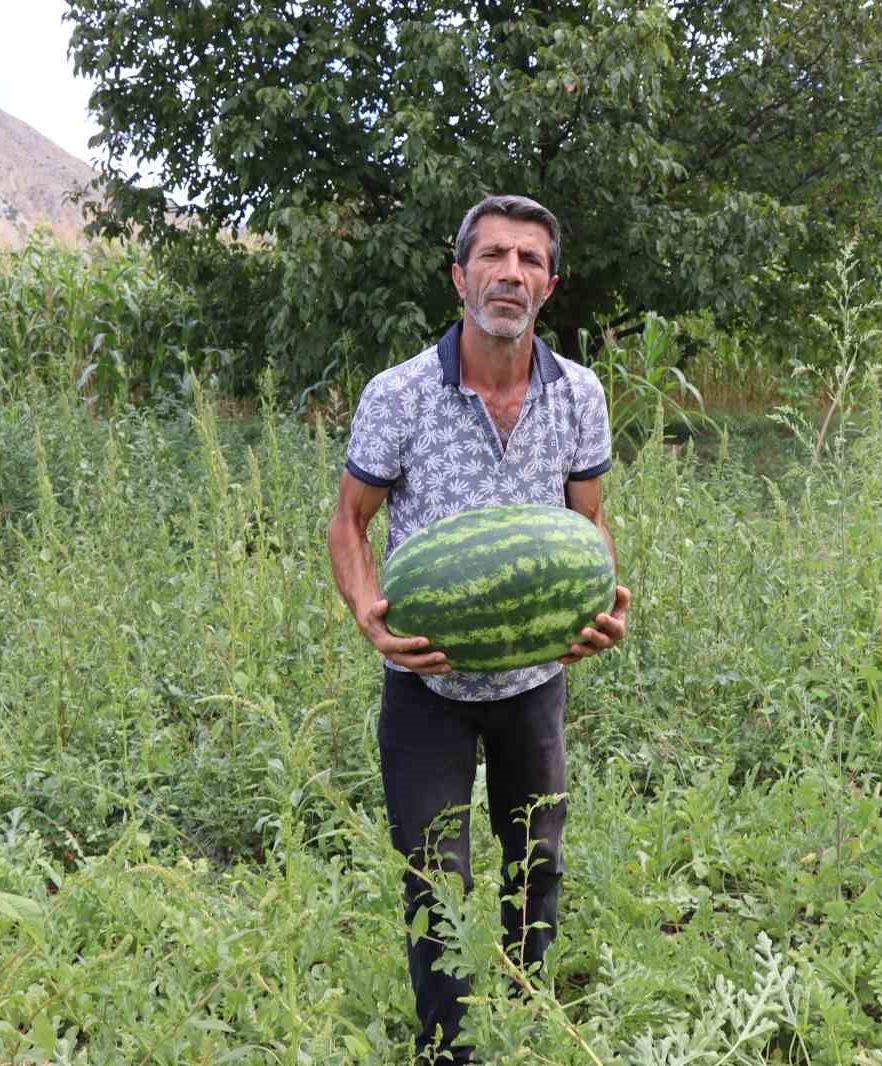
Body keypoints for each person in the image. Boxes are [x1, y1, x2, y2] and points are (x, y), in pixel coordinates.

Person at [327, 194, 630, 1063]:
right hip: (428, 681)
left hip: (534, 680)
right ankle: (448, 1047)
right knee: (436, 878)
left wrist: (598, 602)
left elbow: (590, 522)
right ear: (460, 276)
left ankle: (529, 1025)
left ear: (549, 286)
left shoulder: (579, 393)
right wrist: (369, 618)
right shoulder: (402, 394)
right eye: (493, 256)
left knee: (537, 866)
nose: (511, 273)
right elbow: (349, 521)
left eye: (530, 261)